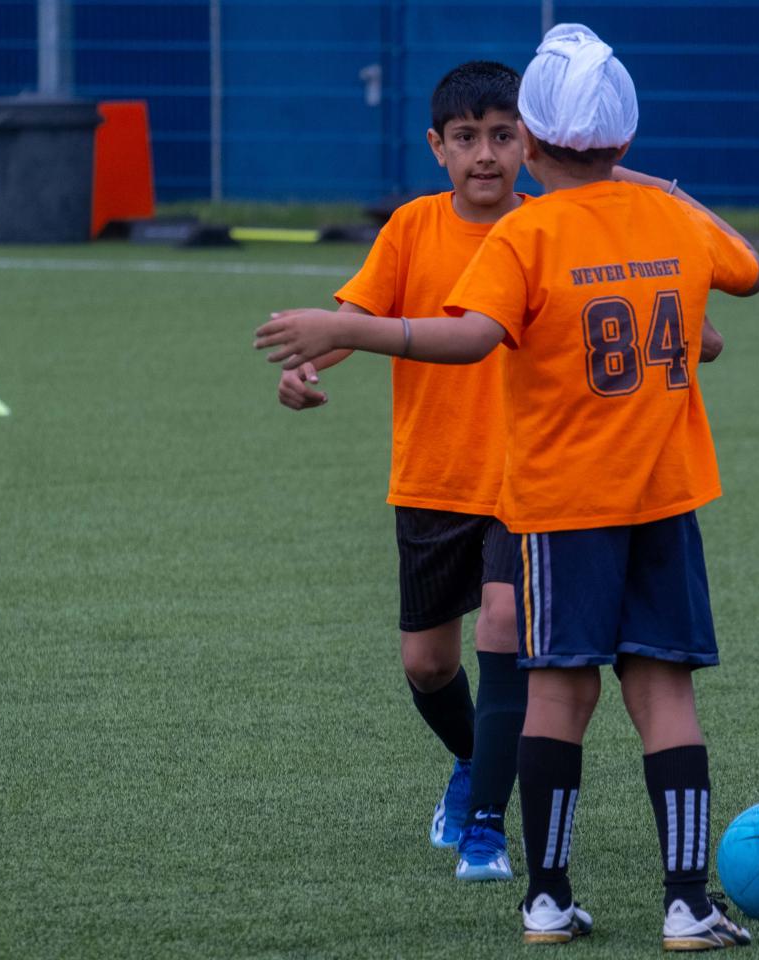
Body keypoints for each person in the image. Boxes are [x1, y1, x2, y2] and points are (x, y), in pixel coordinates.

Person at [256, 23, 759, 950]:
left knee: (556, 694)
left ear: (528, 142)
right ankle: (687, 902)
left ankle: (547, 895)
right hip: (662, 497)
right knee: (664, 694)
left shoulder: (527, 230)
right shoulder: (671, 220)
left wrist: (365, 337)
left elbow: (474, 335)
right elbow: (753, 273)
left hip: (556, 504)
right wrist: (655, 188)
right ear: (627, 138)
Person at [271, 60, 530, 882]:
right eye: (467, 138)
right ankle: (470, 760)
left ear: (529, 141)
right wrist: (311, 365)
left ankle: (486, 829)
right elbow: (357, 320)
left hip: (526, 480)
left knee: (503, 631)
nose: (485, 154)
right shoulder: (414, 227)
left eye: (502, 135)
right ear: (437, 147)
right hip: (431, 476)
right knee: (427, 664)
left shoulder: (547, 227)